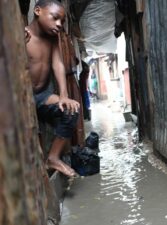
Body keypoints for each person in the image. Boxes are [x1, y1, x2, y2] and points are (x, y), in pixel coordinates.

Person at [25, 0, 80, 177]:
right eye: (55, 18)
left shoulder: (53, 38)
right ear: (38, 11)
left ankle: (53, 158)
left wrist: (63, 95)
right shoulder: (22, 36)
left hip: (41, 95)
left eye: (62, 21)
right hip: (19, 100)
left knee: (71, 111)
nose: (59, 24)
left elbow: (57, 64)